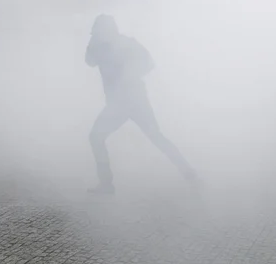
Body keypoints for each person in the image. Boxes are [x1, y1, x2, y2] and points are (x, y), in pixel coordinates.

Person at [85, 14, 198, 194]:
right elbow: (89, 62)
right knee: (97, 137)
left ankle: (189, 173)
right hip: (119, 104)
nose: (98, 33)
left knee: (156, 137)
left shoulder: (127, 43)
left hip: (134, 101)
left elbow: (149, 63)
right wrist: (93, 42)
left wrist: (130, 74)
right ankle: (106, 184)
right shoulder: (99, 48)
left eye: (99, 29)